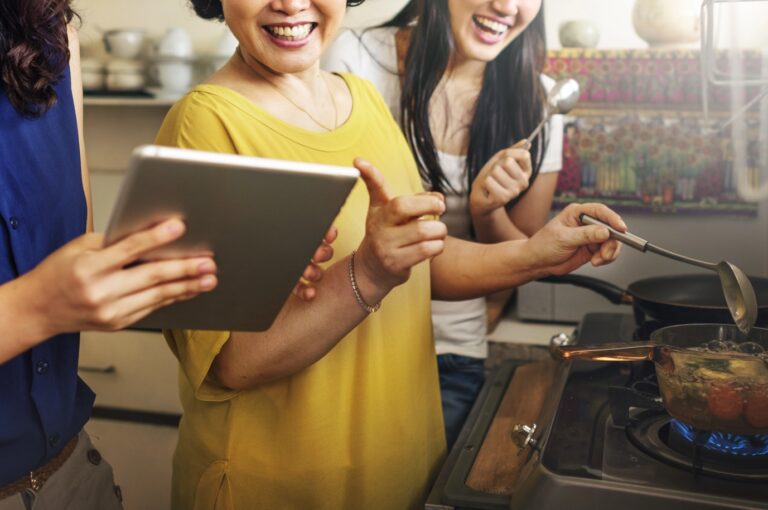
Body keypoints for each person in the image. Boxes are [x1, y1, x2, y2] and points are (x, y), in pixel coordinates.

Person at [158, 0, 624, 508]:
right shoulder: (203, 126)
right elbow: (232, 362)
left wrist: (537, 253)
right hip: (282, 482)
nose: (291, 3)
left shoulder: (360, 98)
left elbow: (418, 259)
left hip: (399, 464)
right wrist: (368, 271)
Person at [0, 1, 330, 508]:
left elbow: (78, 252)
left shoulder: (47, 29)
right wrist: (35, 308)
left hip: (71, 477)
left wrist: (239, 256)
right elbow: (47, 292)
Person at [323, 0, 564, 449]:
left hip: (452, 354)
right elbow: (343, 231)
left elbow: (520, 260)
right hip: (346, 342)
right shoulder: (356, 59)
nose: (506, 7)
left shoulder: (541, 101)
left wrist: (487, 212)